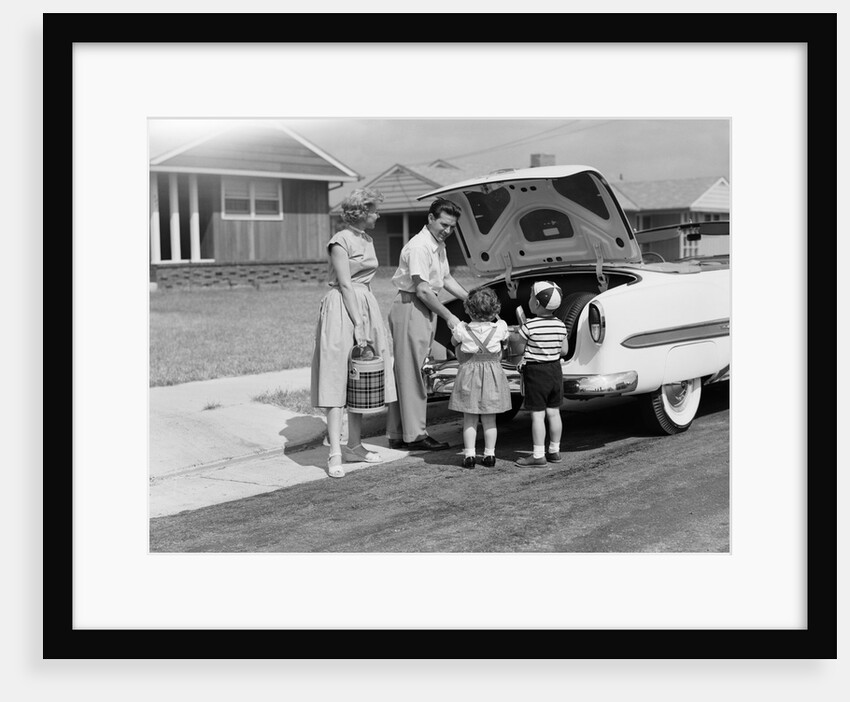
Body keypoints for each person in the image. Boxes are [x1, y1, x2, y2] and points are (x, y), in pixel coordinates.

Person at [310, 188, 397, 478]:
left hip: (365, 304)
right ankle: (335, 450)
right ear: (360, 212)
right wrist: (358, 323)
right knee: (336, 376)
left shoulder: (367, 239)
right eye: (374, 210)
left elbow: (361, 283)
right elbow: (345, 284)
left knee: (360, 377)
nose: (378, 215)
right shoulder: (340, 241)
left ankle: (355, 445)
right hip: (342, 309)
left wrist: (367, 319)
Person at [385, 198, 469, 451]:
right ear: (430, 218)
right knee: (413, 374)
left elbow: (445, 279)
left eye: (452, 227)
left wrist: (470, 299)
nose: (447, 230)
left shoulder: (437, 244)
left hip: (419, 309)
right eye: (444, 224)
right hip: (412, 306)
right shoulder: (420, 247)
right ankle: (416, 435)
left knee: (408, 371)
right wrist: (450, 316)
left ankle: (398, 433)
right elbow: (422, 289)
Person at [447, 287, 512, 468]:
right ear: (495, 309)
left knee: (470, 418)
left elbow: (454, 343)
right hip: (492, 375)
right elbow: (505, 341)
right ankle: (489, 455)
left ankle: (469, 455)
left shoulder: (462, 329)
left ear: (468, 309)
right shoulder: (500, 328)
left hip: (469, 374)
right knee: (490, 419)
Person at [514, 280, 570, 467]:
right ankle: (554, 451)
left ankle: (538, 455)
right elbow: (564, 351)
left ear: (536, 303)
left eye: (531, 296)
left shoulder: (529, 326)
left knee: (537, 415)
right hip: (555, 370)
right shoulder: (561, 325)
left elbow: (520, 349)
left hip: (536, 372)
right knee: (554, 413)